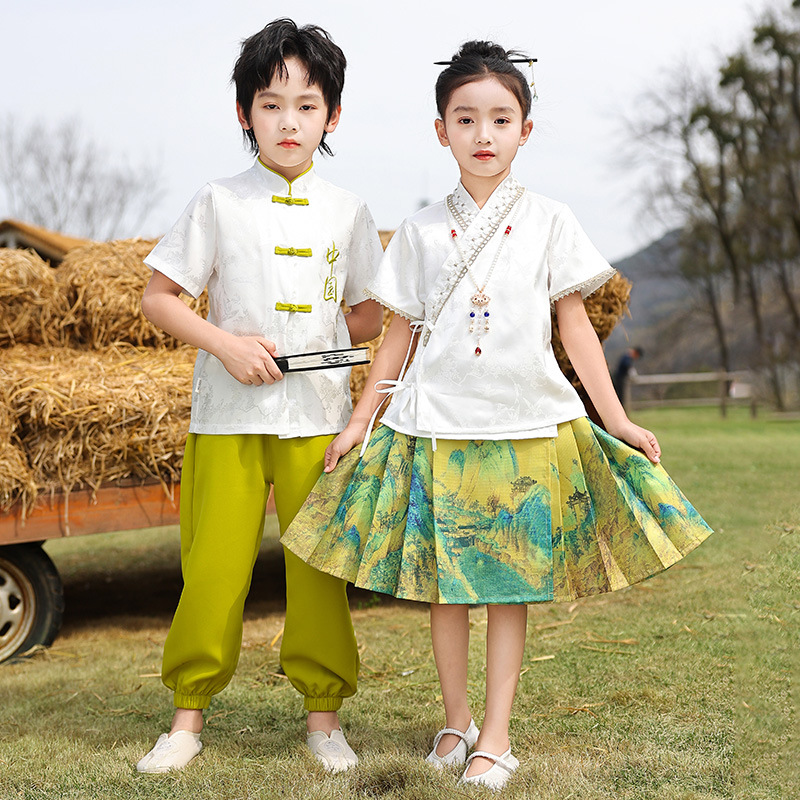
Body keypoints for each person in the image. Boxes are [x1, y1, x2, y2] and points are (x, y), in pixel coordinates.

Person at [281, 41, 712, 791]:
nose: (485, 135)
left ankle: (497, 739)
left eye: (501, 119)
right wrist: (358, 422)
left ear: (525, 131)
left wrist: (612, 417)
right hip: (436, 423)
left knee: (508, 588)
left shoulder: (551, 220)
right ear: (440, 130)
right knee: (446, 586)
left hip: (524, 424)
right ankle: (456, 725)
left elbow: (574, 327)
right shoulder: (417, 231)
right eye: (466, 119)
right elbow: (398, 335)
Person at [135, 19, 383, 774]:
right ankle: (186, 721)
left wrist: (386, 309)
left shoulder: (350, 210)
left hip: (319, 421)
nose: (288, 120)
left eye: (307, 105)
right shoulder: (217, 201)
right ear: (245, 111)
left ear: (331, 117)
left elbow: (367, 313)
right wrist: (227, 345)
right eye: (271, 103)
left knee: (318, 570)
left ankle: (324, 721)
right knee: (212, 569)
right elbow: (160, 296)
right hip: (226, 417)